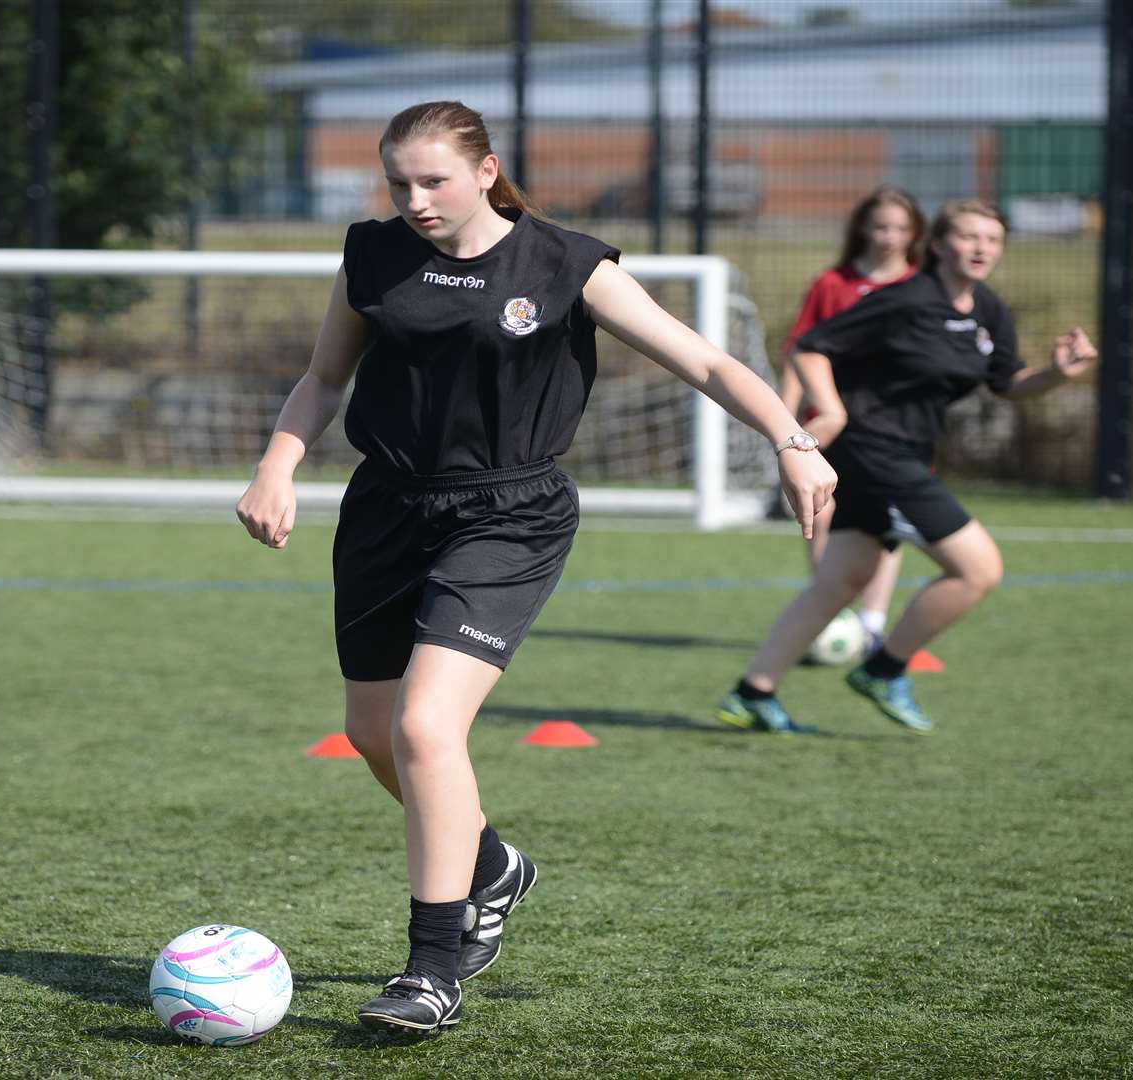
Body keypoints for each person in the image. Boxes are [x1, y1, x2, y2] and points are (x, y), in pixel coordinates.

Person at [235, 100, 835, 1036]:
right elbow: (323, 378)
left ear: (485, 171)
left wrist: (792, 440)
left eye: (433, 179)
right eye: (400, 182)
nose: (415, 199)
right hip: (386, 510)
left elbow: (706, 363)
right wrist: (279, 466)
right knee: (374, 736)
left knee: (428, 728)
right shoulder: (374, 254)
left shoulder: (564, 264)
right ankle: (492, 865)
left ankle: (433, 969)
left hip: (509, 514)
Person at [716, 198, 1097, 736]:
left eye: (992, 240)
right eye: (968, 237)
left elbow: (1007, 383)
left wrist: (1058, 373)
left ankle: (753, 692)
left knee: (840, 580)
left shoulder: (986, 309)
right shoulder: (906, 298)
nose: (981, 248)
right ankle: (884, 670)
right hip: (875, 453)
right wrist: (832, 408)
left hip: (906, 456)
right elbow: (811, 346)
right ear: (939, 245)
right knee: (979, 569)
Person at [769, 185, 933, 669]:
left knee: (885, 523)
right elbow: (799, 352)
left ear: (915, 234)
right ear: (863, 227)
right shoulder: (832, 284)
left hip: (894, 430)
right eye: (882, 226)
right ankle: (831, 605)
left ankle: (873, 623)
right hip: (832, 424)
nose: (890, 236)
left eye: (901, 229)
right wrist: (786, 418)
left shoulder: (920, 288)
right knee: (820, 511)